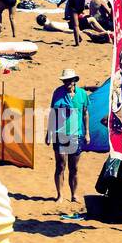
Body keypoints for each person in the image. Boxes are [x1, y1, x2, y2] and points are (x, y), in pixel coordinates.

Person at [47, 68, 89, 204]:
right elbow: (53, 113)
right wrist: (49, 133)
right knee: (60, 165)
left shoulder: (82, 94)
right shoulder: (57, 93)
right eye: (65, 80)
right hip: (60, 134)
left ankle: (74, 194)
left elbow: (85, 114)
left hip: (77, 134)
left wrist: (87, 132)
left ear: (75, 80)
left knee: (74, 167)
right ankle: (59, 195)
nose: (67, 83)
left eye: (69, 80)